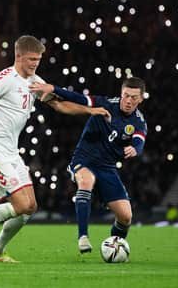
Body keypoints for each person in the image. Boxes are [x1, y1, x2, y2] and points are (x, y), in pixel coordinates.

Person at [0, 35, 110, 262]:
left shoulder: (34, 80)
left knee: (30, 207)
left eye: (38, 59)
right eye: (31, 59)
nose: (35, 63)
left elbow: (59, 104)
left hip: (11, 151)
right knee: (20, 204)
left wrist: (90, 111)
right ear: (18, 56)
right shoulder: (4, 78)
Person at [29, 77, 147, 253]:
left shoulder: (138, 121)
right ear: (121, 93)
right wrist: (53, 87)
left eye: (134, 98)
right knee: (86, 181)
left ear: (141, 99)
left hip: (107, 168)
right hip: (84, 160)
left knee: (126, 217)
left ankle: (115, 246)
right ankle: (83, 237)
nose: (128, 101)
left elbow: (139, 139)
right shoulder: (106, 104)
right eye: (126, 95)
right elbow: (78, 98)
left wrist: (135, 149)